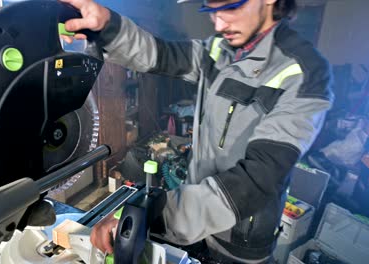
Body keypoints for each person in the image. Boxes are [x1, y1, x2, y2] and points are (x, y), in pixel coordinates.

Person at [61, 0, 333, 262]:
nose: (219, 22)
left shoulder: (306, 73)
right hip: (192, 217)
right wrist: (108, 26)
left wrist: (151, 215)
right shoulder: (219, 49)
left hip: (239, 239)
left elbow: (257, 177)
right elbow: (161, 54)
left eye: (231, 6)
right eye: (211, 9)